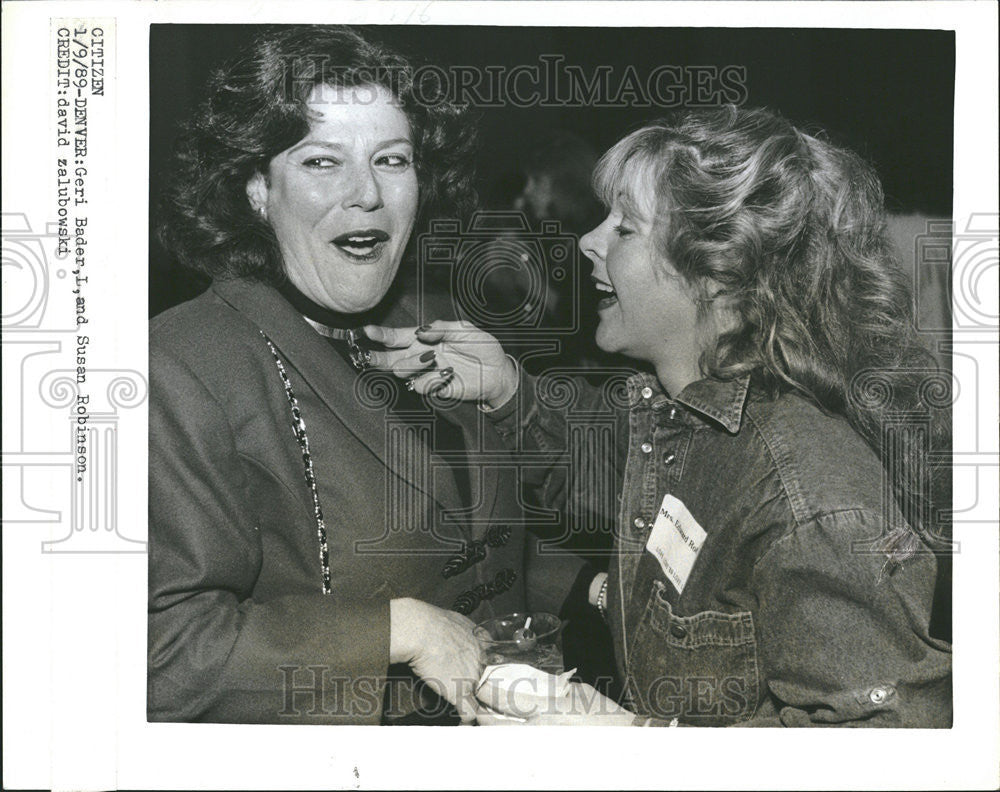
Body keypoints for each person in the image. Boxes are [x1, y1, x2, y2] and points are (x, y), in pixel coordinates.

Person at [366, 105, 953, 726]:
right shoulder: (682, 412)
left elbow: (883, 748)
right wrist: (507, 388)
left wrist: (628, 740)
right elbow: (600, 457)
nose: (589, 240)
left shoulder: (814, 502)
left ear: (717, 275)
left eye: (624, 229)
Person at [147, 25, 586, 726]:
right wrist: (400, 631)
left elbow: (546, 521)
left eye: (392, 159)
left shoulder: (441, 321)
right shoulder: (180, 366)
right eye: (323, 162)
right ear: (258, 190)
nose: (368, 195)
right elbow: (162, 654)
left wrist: (512, 398)